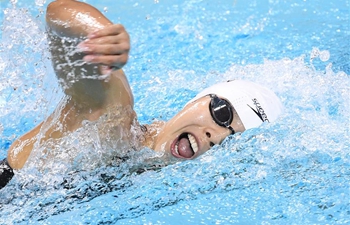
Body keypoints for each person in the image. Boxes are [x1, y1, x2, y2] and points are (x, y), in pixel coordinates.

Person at [0, 0, 283, 189]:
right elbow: (58, 13)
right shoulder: (115, 119)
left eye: (232, 141)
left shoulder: (155, 173)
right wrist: (102, 33)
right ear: (199, 99)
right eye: (223, 114)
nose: (216, 137)